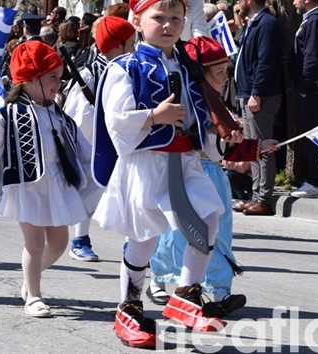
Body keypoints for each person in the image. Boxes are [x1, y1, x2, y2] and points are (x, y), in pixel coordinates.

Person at [92, 0, 243, 347]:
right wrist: (153, 116)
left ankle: (185, 295)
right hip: (147, 163)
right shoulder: (125, 67)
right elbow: (116, 120)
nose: (168, 24)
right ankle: (128, 308)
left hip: (185, 161)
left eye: (175, 18)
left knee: (207, 219)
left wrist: (227, 140)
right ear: (136, 20)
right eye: (158, 17)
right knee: (144, 239)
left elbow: (201, 119)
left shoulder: (190, 68)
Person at [0, 40, 89, 318]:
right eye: (52, 77)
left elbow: (78, 145)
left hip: (56, 183)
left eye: (59, 76)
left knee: (60, 242)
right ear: (29, 79)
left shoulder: (58, 113)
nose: (59, 83)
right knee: (35, 242)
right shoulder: (8, 114)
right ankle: (34, 296)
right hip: (27, 186)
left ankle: (30, 280)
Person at [148, 36, 278, 316]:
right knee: (177, 235)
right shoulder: (191, 104)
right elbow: (211, 142)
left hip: (213, 177)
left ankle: (220, 291)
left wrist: (256, 147)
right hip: (185, 174)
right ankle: (159, 278)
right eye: (219, 74)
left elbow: (224, 148)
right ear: (200, 75)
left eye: (226, 73)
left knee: (218, 235)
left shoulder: (217, 105)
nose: (224, 79)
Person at [64, 15, 136, 262]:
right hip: (96, 143)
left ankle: (133, 245)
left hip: (128, 142)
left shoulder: (134, 68)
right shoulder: (91, 73)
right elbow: (77, 115)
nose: (135, 47)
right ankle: (80, 239)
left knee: (132, 194)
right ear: (118, 45)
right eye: (131, 42)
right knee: (91, 190)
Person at [233, 0, 283, 215]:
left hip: (259, 94)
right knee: (251, 146)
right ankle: (255, 195)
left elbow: (266, 61)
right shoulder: (252, 23)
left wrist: (257, 92)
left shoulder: (267, 23)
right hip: (246, 92)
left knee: (262, 145)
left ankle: (264, 197)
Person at [288, 0, 318, 199]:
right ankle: (314, 177)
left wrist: (304, 86)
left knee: (315, 134)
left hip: (314, 89)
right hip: (312, 88)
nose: (294, 2)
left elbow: (312, 56)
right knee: (311, 134)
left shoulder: (316, 20)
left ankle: (317, 180)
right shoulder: (312, 19)